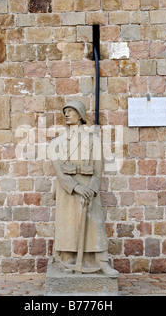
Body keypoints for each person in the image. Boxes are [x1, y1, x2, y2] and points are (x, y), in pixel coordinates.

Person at [48, 100, 118, 278]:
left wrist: (91, 190)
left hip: (88, 189)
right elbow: (59, 172)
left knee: (95, 224)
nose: (67, 114)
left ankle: (102, 262)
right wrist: (76, 187)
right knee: (67, 225)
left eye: (71, 111)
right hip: (68, 190)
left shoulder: (93, 140)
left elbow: (98, 168)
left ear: (80, 115)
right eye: (65, 111)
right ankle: (68, 260)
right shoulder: (56, 143)